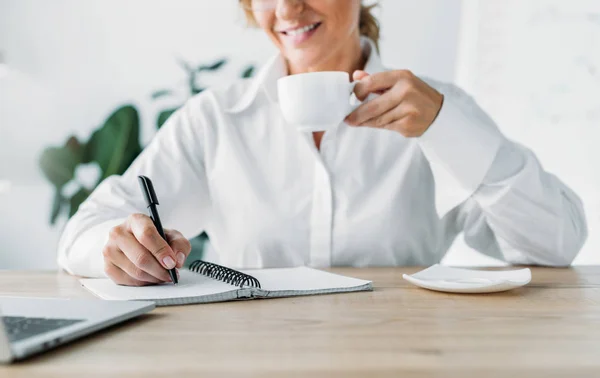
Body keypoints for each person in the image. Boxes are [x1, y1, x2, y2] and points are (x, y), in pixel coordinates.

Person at [58, 0, 587, 286]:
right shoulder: (216, 120)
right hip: (253, 366)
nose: (287, 8)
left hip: (405, 365)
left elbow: (557, 244)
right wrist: (120, 248)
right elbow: (82, 234)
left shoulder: (438, 111)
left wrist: (449, 131)